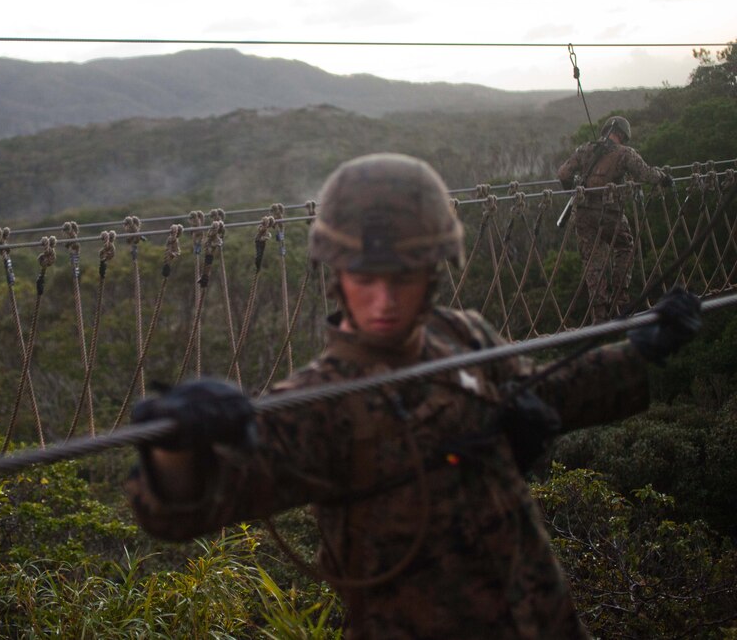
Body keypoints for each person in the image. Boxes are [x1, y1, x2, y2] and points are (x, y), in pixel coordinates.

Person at [125, 153, 701, 638]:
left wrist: (639, 350)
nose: (383, 300)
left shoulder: (463, 336)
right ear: (336, 276)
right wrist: (178, 445)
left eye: (401, 278)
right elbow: (193, 504)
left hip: (541, 618)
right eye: (364, 278)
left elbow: (546, 389)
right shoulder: (319, 403)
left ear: (432, 274)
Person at [557, 115, 673, 322]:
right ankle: (620, 300)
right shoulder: (625, 154)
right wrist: (663, 178)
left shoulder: (585, 149)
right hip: (609, 213)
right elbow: (645, 174)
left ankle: (599, 313)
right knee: (625, 245)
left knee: (593, 260)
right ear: (621, 134)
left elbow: (563, 173)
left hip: (583, 214)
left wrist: (572, 192)